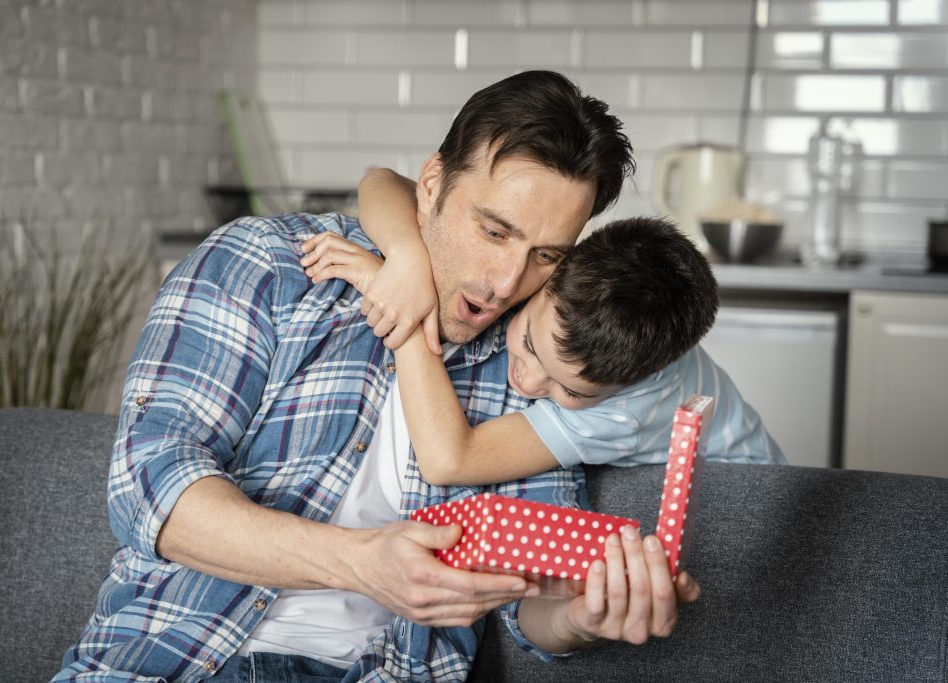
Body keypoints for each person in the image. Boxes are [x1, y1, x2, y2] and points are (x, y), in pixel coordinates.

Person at [55, 70, 698, 683]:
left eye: (545, 256)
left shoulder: (535, 366)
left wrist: (582, 618)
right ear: (430, 184)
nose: (505, 283)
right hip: (175, 661)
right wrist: (363, 565)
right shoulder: (269, 264)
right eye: (493, 230)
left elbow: (530, 601)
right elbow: (151, 490)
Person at [301, 175, 785, 488]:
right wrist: (404, 260)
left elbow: (449, 461)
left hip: (739, 499)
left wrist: (396, 310)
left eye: (569, 390)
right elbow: (382, 182)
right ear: (561, 267)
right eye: (530, 343)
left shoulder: (626, 412)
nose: (529, 382)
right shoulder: (558, 273)